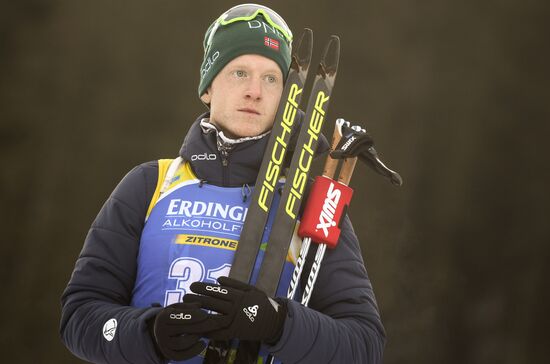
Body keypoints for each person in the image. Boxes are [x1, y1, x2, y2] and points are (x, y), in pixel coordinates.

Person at [60, 4, 385, 364]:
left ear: (285, 98)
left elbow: (363, 343)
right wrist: (148, 333)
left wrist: (278, 324)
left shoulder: (308, 200)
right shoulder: (150, 184)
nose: (254, 91)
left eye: (271, 79)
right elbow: (80, 315)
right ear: (207, 88)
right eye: (239, 73)